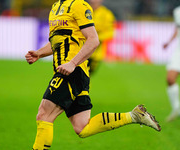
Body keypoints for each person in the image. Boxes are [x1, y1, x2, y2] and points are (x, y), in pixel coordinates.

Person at [25, 0, 161, 149]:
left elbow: (93, 40)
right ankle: (134, 116)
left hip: (72, 71)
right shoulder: (56, 7)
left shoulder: (79, 5)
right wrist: (39, 53)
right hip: (69, 70)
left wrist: (72, 63)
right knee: (82, 127)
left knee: (44, 115)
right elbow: (57, 41)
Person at [87, 0, 116, 74]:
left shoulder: (106, 14)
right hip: (79, 50)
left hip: (96, 53)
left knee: (87, 76)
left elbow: (110, 32)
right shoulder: (83, 11)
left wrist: (95, 38)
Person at [163, 6, 180, 122]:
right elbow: (177, 29)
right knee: (170, 78)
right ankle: (176, 108)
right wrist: (169, 42)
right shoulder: (177, 11)